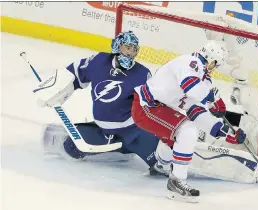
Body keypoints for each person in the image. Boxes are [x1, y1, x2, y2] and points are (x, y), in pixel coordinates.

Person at [35, 31, 168, 176]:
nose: (131, 52)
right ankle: (118, 149)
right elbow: (74, 72)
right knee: (70, 149)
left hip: (134, 132)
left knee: (162, 164)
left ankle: (127, 148)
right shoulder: (99, 61)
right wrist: (55, 89)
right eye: (127, 47)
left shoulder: (142, 73)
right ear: (117, 46)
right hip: (103, 131)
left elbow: (153, 103)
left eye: (134, 49)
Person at [131, 40, 248, 202]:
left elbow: (197, 112)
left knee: (182, 133)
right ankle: (176, 182)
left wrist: (227, 133)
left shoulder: (204, 80)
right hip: (146, 107)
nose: (214, 70)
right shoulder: (190, 63)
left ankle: (161, 166)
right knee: (187, 131)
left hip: (159, 109)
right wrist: (214, 99)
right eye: (215, 65)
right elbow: (191, 87)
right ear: (212, 60)